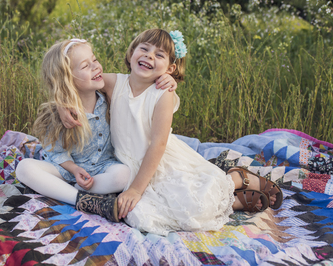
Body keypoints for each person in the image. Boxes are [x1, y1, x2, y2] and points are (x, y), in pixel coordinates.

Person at [59, 29, 283, 235]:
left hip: (159, 161)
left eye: (159, 55)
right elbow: (79, 82)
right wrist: (61, 105)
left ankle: (235, 181)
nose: (149, 57)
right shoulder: (114, 82)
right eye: (144, 49)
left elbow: (158, 144)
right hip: (129, 166)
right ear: (131, 54)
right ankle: (232, 197)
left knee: (192, 203)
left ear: (170, 69)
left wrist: (136, 190)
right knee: (140, 217)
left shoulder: (162, 94)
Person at [15, 38, 176, 223]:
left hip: (102, 168)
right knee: (24, 168)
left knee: (123, 176)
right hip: (68, 168)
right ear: (67, 78)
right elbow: (55, 151)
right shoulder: (62, 113)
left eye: (95, 60)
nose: (96, 67)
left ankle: (64, 189)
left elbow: (139, 83)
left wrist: (167, 77)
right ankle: (80, 199)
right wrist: (74, 169)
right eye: (85, 66)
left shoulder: (109, 97)